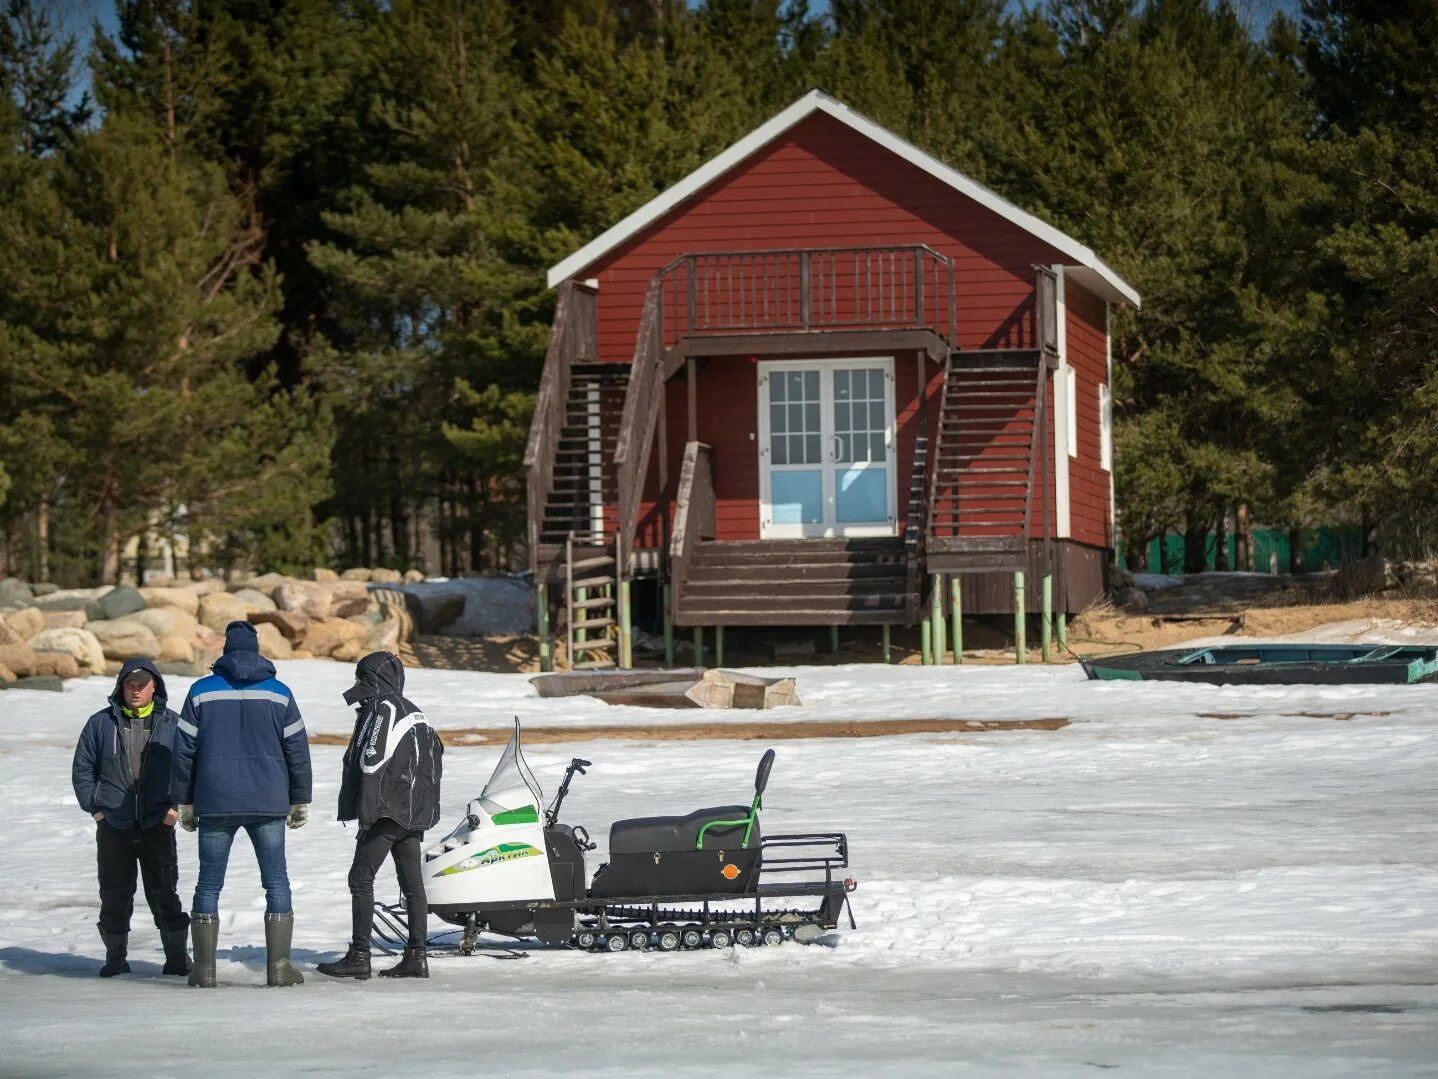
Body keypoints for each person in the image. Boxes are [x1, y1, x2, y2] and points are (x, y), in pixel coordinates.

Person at [174, 620, 311, 989]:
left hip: (215, 801)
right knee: (276, 880)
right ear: (255, 649)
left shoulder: (201, 691)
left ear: (224, 649)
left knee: (208, 884)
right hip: (269, 801)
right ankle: (279, 968)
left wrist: (184, 800)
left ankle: (204, 971)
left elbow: (183, 752)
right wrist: (300, 799)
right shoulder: (279, 693)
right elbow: (296, 751)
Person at [318, 651, 443, 980]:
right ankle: (417, 957)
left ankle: (360, 956)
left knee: (360, 879)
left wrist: (368, 814)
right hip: (413, 812)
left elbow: (373, 760)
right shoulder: (415, 711)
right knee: (413, 885)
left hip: (388, 812)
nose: (358, 686)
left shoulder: (384, 709)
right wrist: (423, 813)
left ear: (372, 680)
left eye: (362, 679)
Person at [70, 658, 192, 978]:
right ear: (121, 687)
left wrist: (173, 810)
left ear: (155, 687)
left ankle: (177, 959)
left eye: (141, 685)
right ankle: (115, 958)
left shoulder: (173, 724)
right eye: (130, 685)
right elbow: (83, 770)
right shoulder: (100, 724)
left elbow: (188, 771)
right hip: (114, 825)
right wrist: (96, 810)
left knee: (164, 893)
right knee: (114, 893)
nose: (135, 691)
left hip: (157, 823)